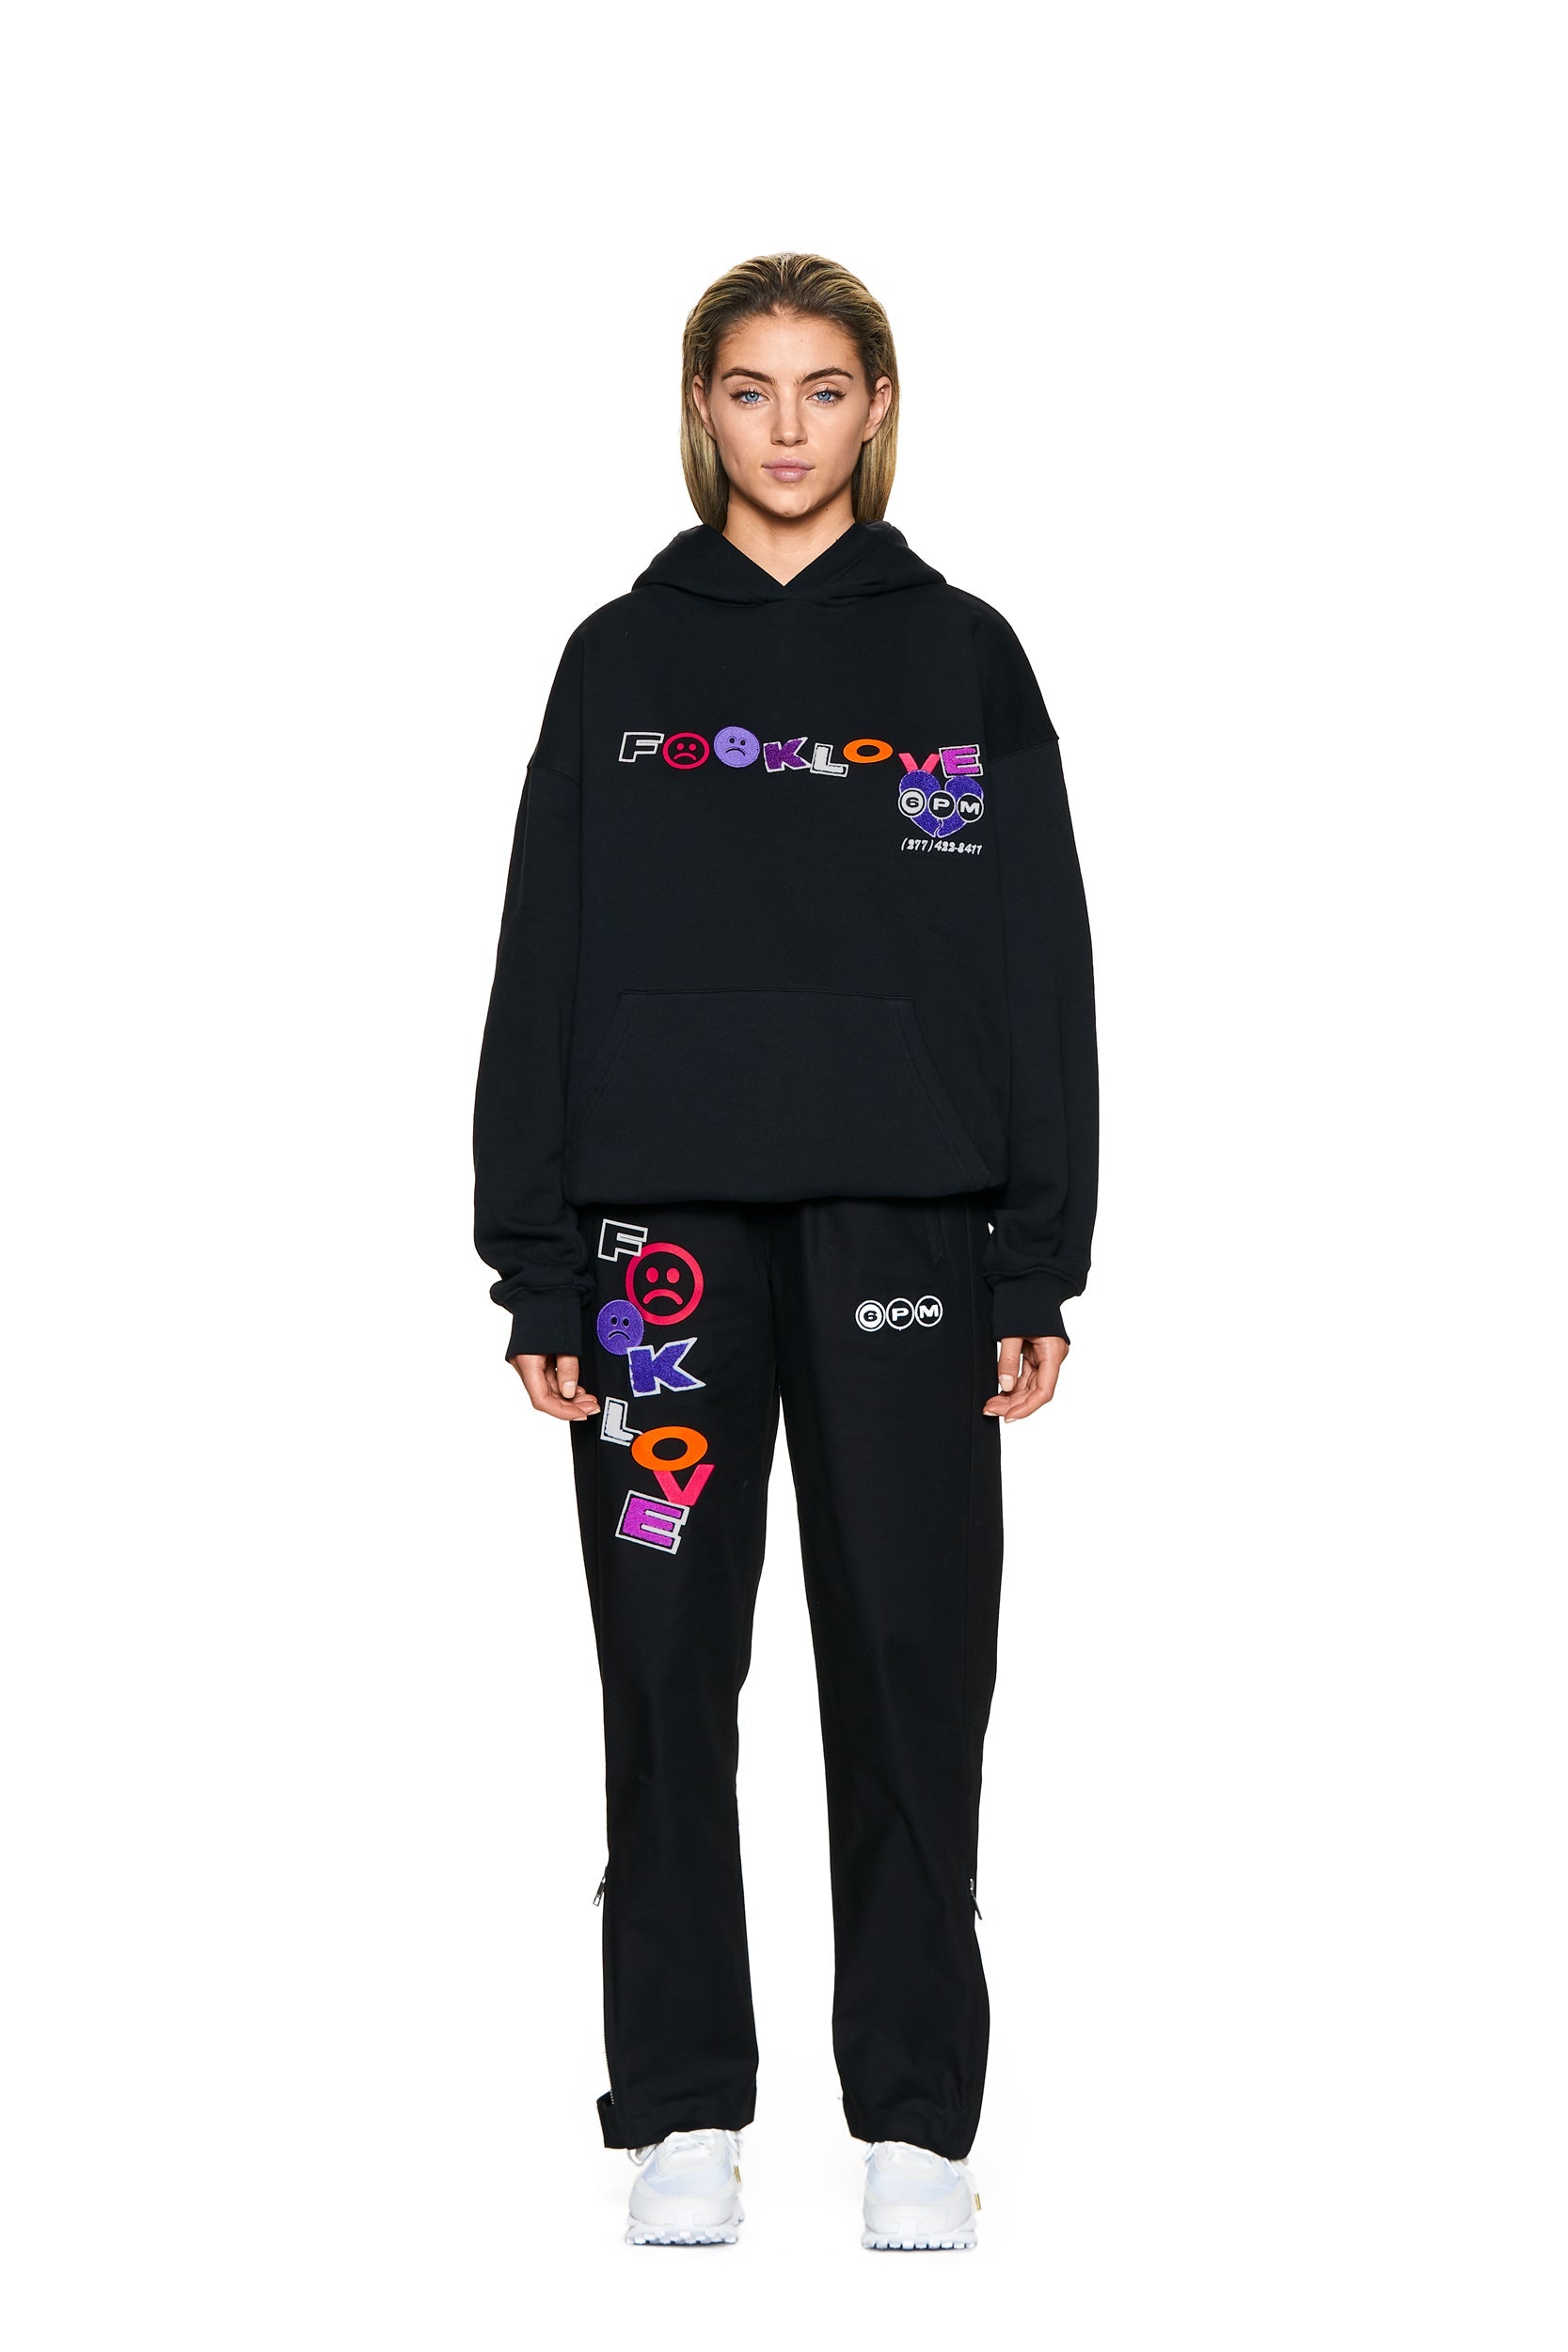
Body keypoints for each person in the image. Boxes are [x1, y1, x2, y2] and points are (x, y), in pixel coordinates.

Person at [473, 251, 1098, 2251]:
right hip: (655, 1250)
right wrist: (537, 1262)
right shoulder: (618, 662)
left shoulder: (964, 661)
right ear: (703, 410)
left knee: (911, 1662)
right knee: (665, 1668)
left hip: (905, 1221)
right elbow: (542, 958)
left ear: (878, 407)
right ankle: (680, 2104)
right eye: (751, 390)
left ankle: (914, 2114)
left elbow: (1037, 965)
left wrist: (1036, 1257)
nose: (789, 427)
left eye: (826, 389)